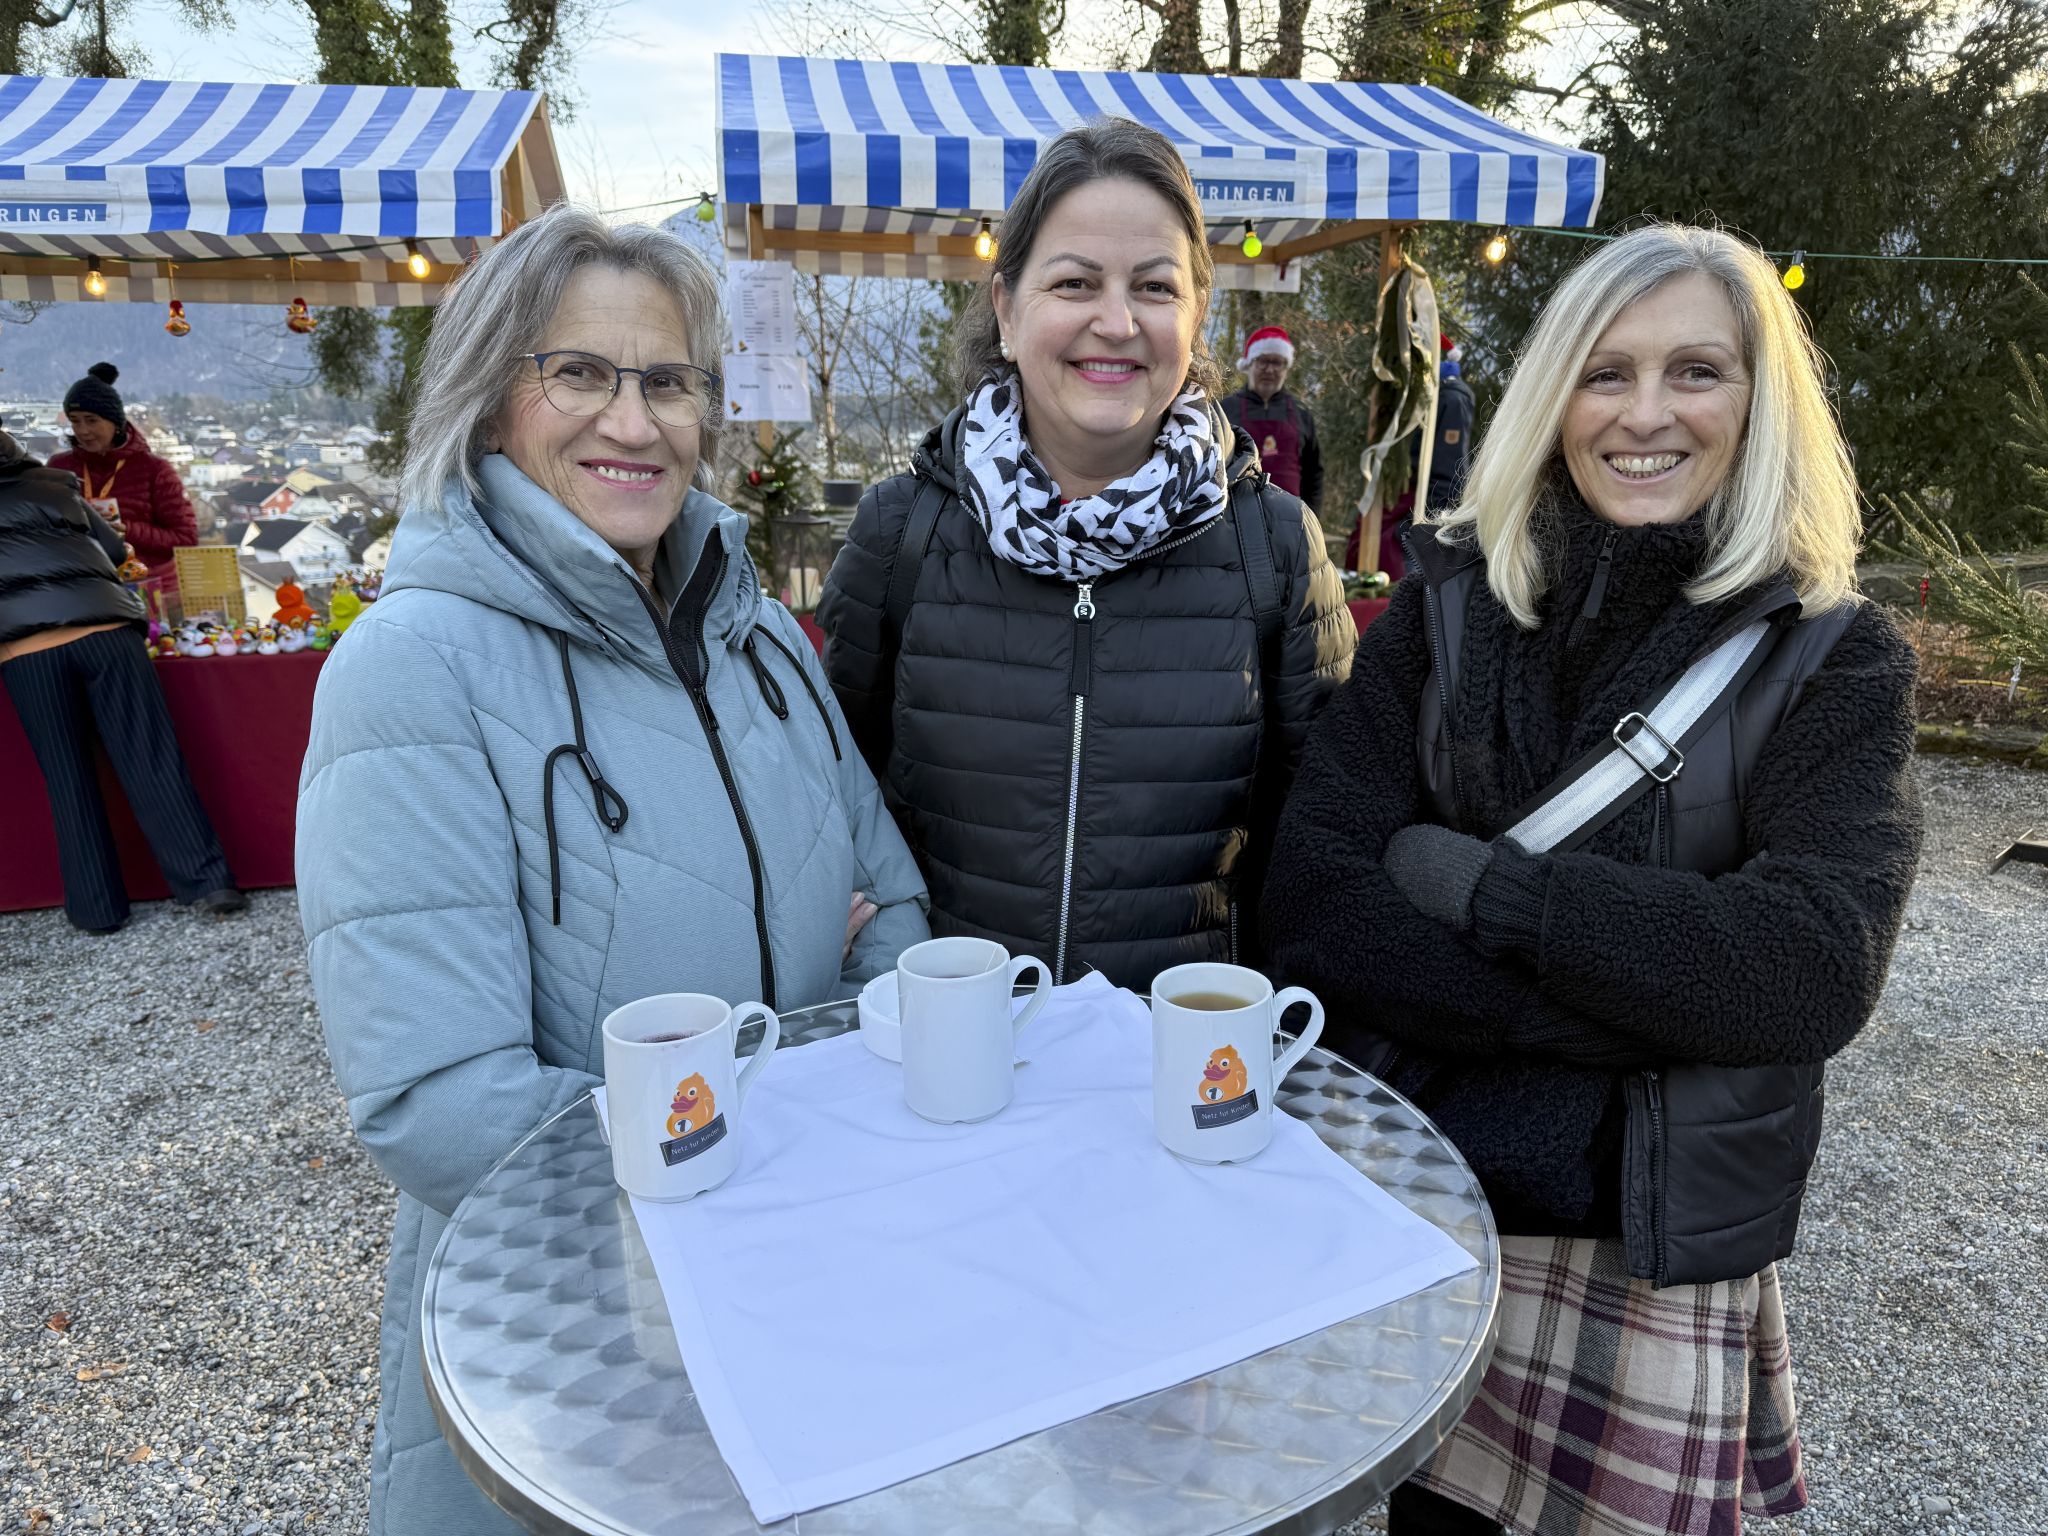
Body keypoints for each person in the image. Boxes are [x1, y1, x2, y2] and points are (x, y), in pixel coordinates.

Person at [1264, 223, 1923, 1536]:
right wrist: (1614, 1006)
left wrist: (1483, 891)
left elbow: (1808, 964)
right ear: (1553, 394)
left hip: (1644, 1253)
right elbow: (1316, 893)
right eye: (1605, 372)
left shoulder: (1837, 661)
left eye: (1697, 372)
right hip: (1423, 1204)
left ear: (1761, 399)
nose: (1645, 414)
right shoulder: (1450, 606)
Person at [294, 205, 930, 1535]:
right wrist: (777, 1150)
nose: (631, 423)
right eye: (578, 372)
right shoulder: (416, 671)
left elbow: (892, 894)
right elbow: (440, 1097)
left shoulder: (757, 638)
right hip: (580, 1328)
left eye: (667, 381)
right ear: (489, 401)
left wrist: (778, 1139)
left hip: (800, 1279)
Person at [818, 119, 1354, 990]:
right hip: (949, 1064)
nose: (1116, 322)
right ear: (1006, 306)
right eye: (1074, 283)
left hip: (1177, 1074)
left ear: (1196, 314)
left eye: (1153, 287)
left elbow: (1328, 846)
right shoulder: (901, 532)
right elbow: (828, 810)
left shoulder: (1274, 548)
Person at [0, 429, 245, 933]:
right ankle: (209, 883)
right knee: (151, 757)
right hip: (110, 634)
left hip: (28, 653)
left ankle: (98, 910)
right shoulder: (55, 482)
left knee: (68, 779)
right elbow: (114, 550)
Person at [48, 363, 197, 582]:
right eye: (75, 421)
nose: (82, 430)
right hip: (81, 585)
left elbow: (186, 538)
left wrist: (126, 530)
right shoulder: (59, 468)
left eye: (91, 420)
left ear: (116, 423)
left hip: (145, 589)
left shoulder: (155, 470)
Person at [1347, 333, 1477, 583]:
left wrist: (1412, 530)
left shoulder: (1449, 398)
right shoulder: (1416, 399)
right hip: (1396, 515)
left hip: (1415, 527)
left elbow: (1450, 476)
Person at [1219, 324, 1323, 510]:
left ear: (1286, 367)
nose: (1269, 369)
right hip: (1235, 516)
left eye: (1277, 362)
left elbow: (1313, 475)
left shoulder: (1301, 414)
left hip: (1291, 517)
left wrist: (1311, 517)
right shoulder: (1225, 410)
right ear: (1249, 363)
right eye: (1263, 361)